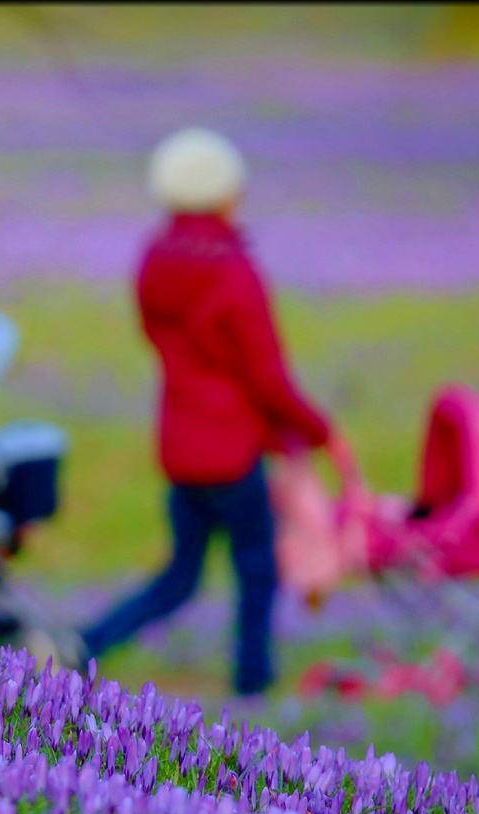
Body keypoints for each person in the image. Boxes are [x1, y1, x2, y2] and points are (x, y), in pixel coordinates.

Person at [78, 127, 356, 703]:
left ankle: (86, 645)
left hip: (180, 445)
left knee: (181, 575)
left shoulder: (154, 259)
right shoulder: (234, 272)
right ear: (227, 194)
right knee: (256, 569)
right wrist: (320, 431)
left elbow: (158, 335)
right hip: (231, 452)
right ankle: (252, 680)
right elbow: (267, 377)